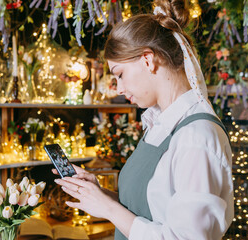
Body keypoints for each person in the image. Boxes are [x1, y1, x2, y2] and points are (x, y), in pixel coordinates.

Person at [54, 0, 234, 239]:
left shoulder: (196, 137)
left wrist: (108, 208)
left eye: (119, 74)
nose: (118, 88)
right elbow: (153, 211)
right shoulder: (159, 125)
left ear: (148, 60)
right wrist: (100, 195)